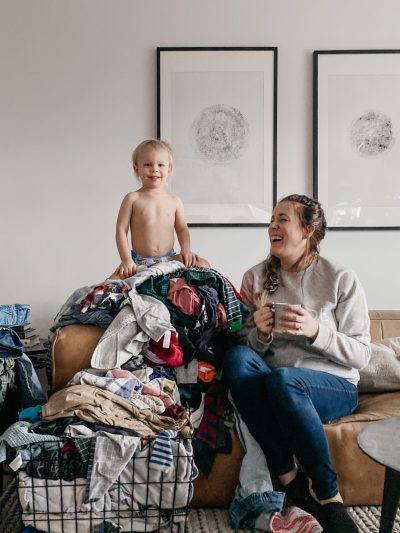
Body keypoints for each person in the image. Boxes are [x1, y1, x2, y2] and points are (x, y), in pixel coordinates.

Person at [223, 194, 371, 533]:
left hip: (331, 385)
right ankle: (290, 479)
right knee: (236, 357)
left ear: (308, 229)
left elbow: (362, 354)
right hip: (276, 384)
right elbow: (246, 352)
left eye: (283, 219)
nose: (273, 226)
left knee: (285, 380)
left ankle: (328, 495)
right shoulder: (255, 278)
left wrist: (317, 331)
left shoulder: (340, 278)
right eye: (272, 219)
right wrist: (259, 334)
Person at [115, 139, 208, 278]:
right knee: (108, 284)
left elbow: (182, 229)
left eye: (161, 165)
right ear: (136, 169)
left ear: (169, 169)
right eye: (147, 164)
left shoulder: (174, 200)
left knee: (203, 264)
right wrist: (126, 260)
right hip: (139, 261)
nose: (155, 169)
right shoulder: (132, 198)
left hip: (169, 258)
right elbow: (121, 231)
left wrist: (186, 250)